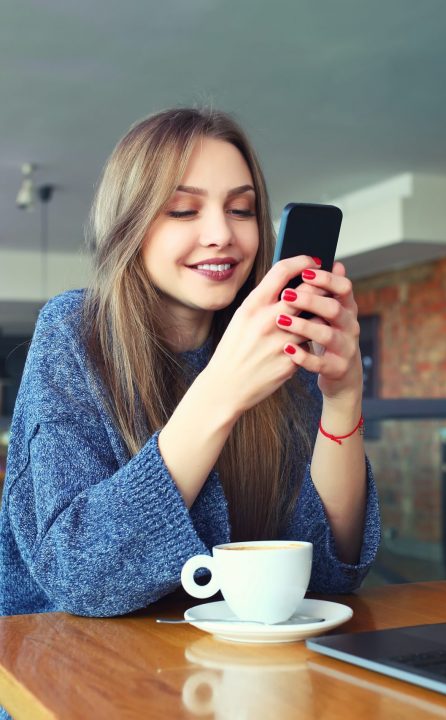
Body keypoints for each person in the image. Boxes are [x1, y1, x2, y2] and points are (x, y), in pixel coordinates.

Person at [0, 107, 380, 618]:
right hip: (76, 677)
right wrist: (221, 392)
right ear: (129, 224)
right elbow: (79, 577)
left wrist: (342, 398)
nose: (221, 233)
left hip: (230, 673)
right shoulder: (76, 331)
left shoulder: (275, 341)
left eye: (242, 210)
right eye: (183, 211)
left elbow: (329, 576)